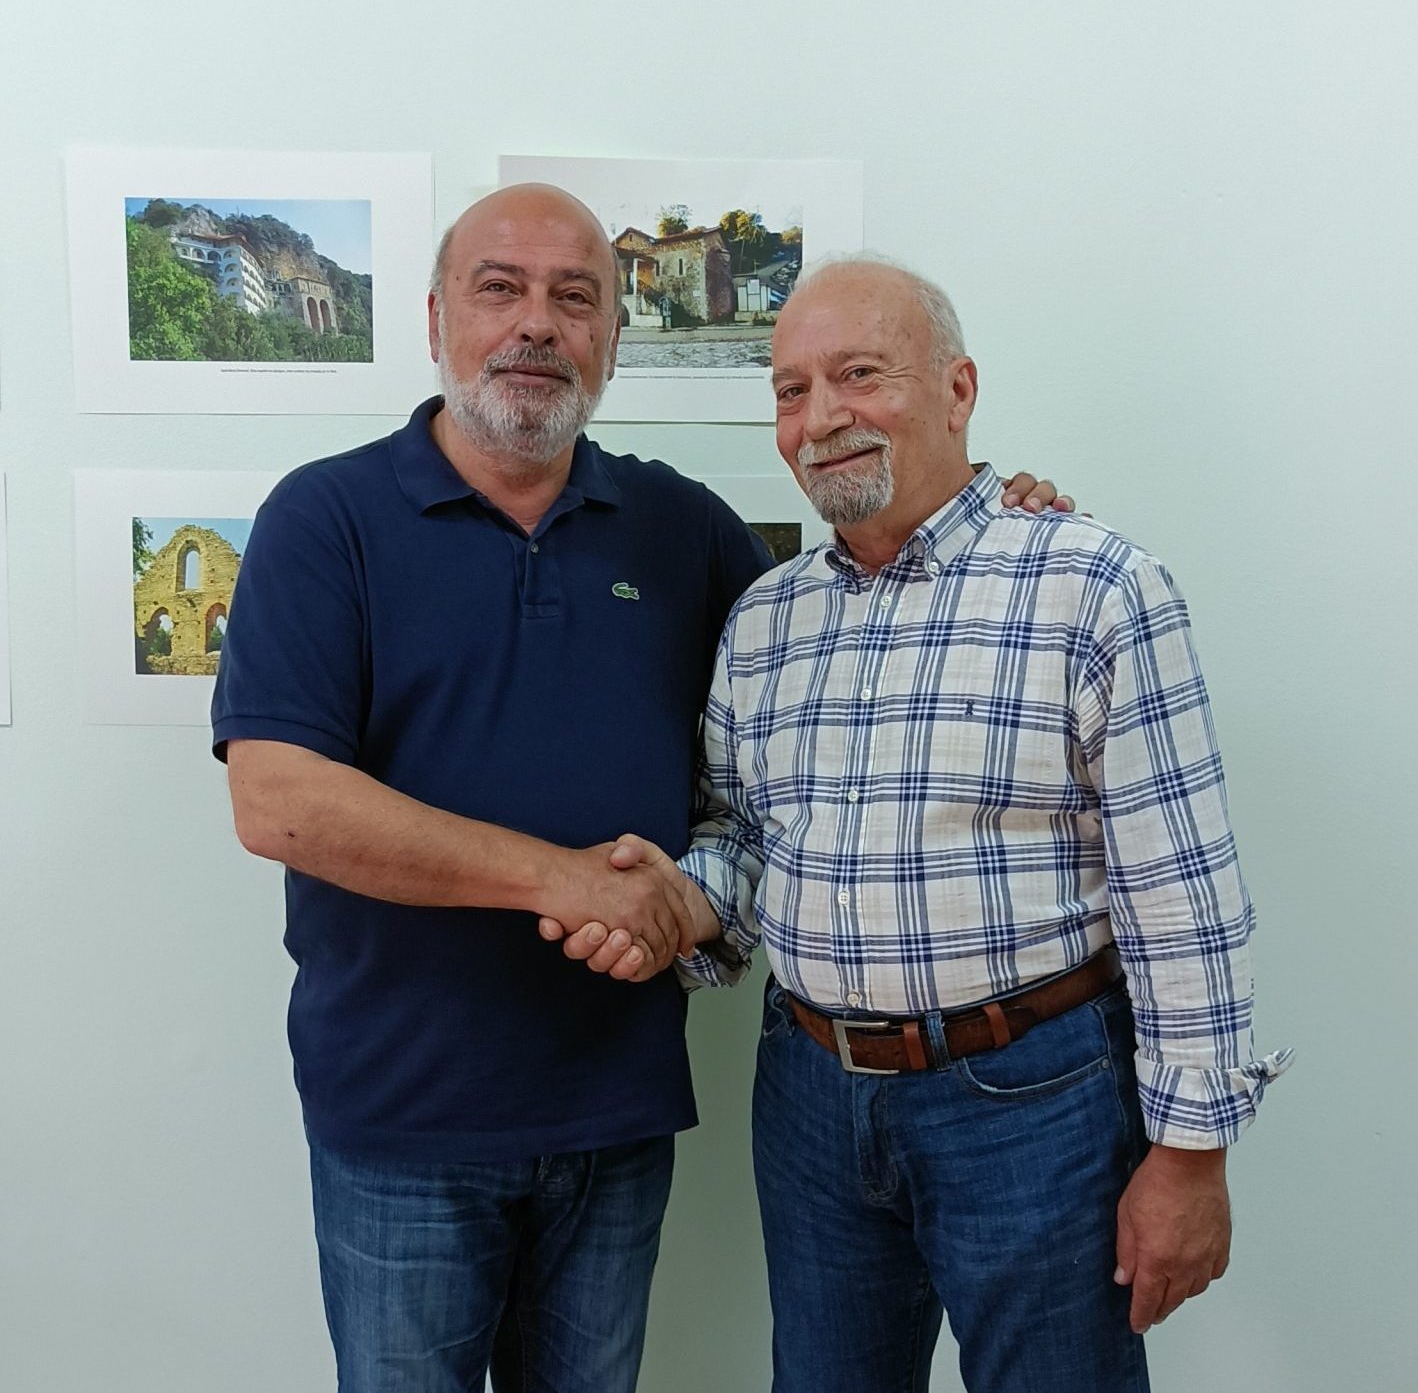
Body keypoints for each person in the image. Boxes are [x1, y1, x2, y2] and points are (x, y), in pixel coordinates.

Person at [212, 185, 1072, 1393]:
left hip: (612, 1111)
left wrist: (994, 516)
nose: (537, 323)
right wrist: (558, 880)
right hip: (401, 1118)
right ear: (436, 319)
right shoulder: (325, 517)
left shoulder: (680, 527)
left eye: (576, 297)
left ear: (613, 338)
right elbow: (281, 802)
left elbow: (850, 625)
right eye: (499, 289)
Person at [552, 254, 1292, 1392]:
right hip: (810, 1097)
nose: (821, 418)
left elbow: (1180, 890)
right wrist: (672, 902)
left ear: (958, 389)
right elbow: (742, 835)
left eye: (860, 374)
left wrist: (1192, 1155)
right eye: (792, 390)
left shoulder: (1093, 588)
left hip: (1034, 1100)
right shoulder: (767, 616)